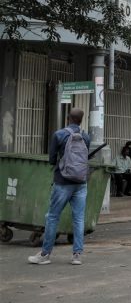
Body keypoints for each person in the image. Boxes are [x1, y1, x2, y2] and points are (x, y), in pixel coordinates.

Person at [29, 107, 90, 266]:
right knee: (78, 219)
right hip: (81, 183)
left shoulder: (59, 135)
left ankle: (45, 254)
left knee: (52, 217)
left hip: (63, 182)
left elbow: (51, 159)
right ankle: (77, 255)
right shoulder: (86, 137)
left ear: (68, 118)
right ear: (81, 120)